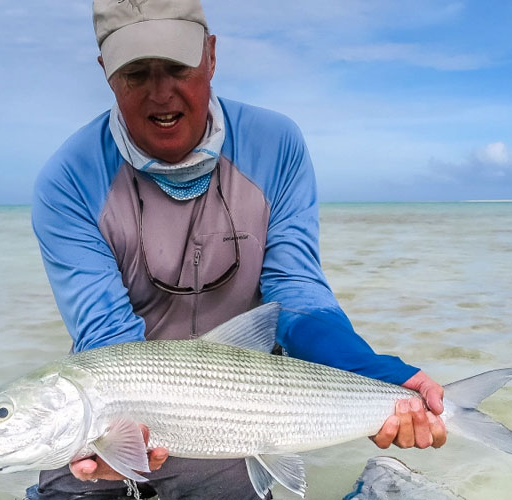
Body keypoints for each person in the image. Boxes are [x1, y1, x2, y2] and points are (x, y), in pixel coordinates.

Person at [28, 1, 446, 498]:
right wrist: (114, 436)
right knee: (69, 481)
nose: (161, 94)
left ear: (210, 55)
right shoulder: (68, 181)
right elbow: (107, 338)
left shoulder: (276, 144)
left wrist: (366, 370)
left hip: (244, 408)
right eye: (136, 73)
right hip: (128, 400)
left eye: (178, 67)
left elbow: (295, 294)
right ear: (107, 73)